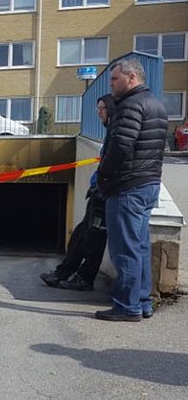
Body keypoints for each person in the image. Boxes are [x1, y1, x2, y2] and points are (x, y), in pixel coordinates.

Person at [95, 57, 167, 322]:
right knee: (140, 246)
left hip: (127, 187)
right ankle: (143, 301)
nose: (111, 83)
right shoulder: (156, 105)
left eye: (115, 78)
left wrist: (102, 175)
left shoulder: (129, 105)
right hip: (148, 184)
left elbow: (121, 146)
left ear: (132, 78)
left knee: (124, 249)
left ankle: (127, 306)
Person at [40, 95, 115, 291]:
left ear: (112, 110)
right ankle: (63, 273)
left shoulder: (117, 131)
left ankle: (83, 279)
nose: (98, 112)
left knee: (94, 240)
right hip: (98, 192)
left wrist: (100, 187)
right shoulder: (111, 131)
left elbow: (112, 164)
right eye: (97, 108)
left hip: (104, 195)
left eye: (102, 108)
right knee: (80, 236)